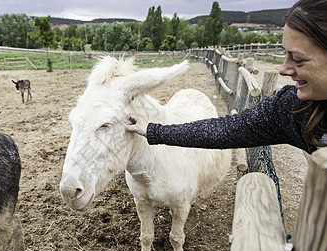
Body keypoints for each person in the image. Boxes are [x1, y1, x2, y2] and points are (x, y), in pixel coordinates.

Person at [125, 0, 326, 155]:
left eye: (298, 59)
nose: (284, 69)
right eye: (285, 54)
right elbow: (225, 130)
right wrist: (152, 130)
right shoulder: (297, 110)